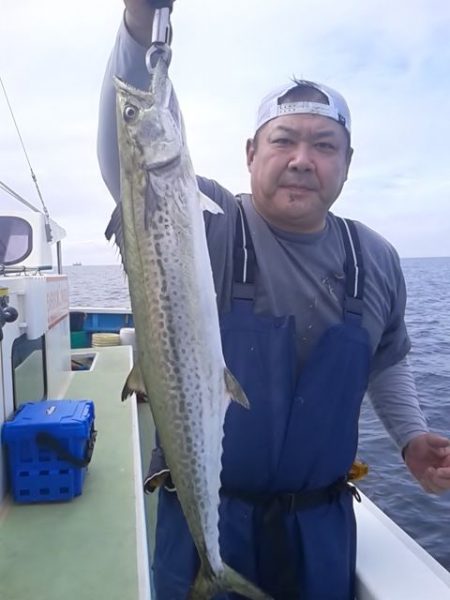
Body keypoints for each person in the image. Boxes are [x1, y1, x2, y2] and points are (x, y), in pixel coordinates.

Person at [97, 2, 450, 598]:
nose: (302, 160)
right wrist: (139, 26)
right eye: (283, 140)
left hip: (320, 528)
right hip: (210, 515)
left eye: (324, 145)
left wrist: (413, 438)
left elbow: (386, 360)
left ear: (347, 162)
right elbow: (128, 163)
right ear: (250, 154)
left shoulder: (378, 258)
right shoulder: (205, 219)